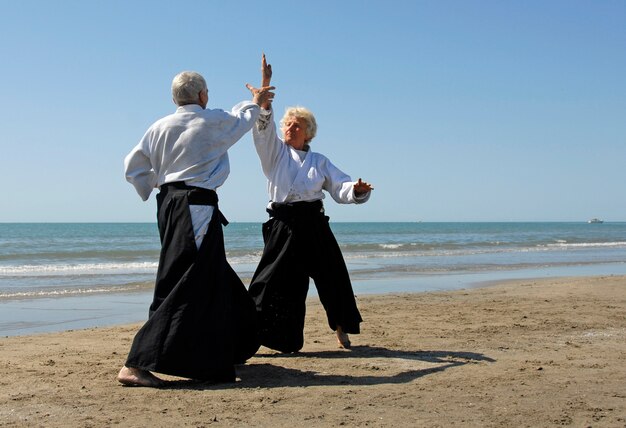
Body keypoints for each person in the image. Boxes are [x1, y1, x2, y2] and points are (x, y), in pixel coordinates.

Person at [117, 70, 274, 387]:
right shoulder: (208, 120)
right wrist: (256, 100)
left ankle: (235, 343)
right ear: (203, 96)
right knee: (186, 278)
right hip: (195, 206)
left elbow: (133, 167)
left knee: (211, 274)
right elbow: (242, 120)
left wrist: (157, 185)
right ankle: (136, 363)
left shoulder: (158, 127)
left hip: (170, 204)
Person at [245, 54, 374, 353]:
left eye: (297, 125)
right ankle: (269, 338)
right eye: (288, 124)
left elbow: (340, 187)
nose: (290, 128)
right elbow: (262, 129)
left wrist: (356, 189)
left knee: (333, 277)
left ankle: (342, 328)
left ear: (309, 132)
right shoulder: (273, 152)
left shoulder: (319, 161)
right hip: (284, 224)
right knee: (272, 283)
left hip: (314, 223)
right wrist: (264, 88)